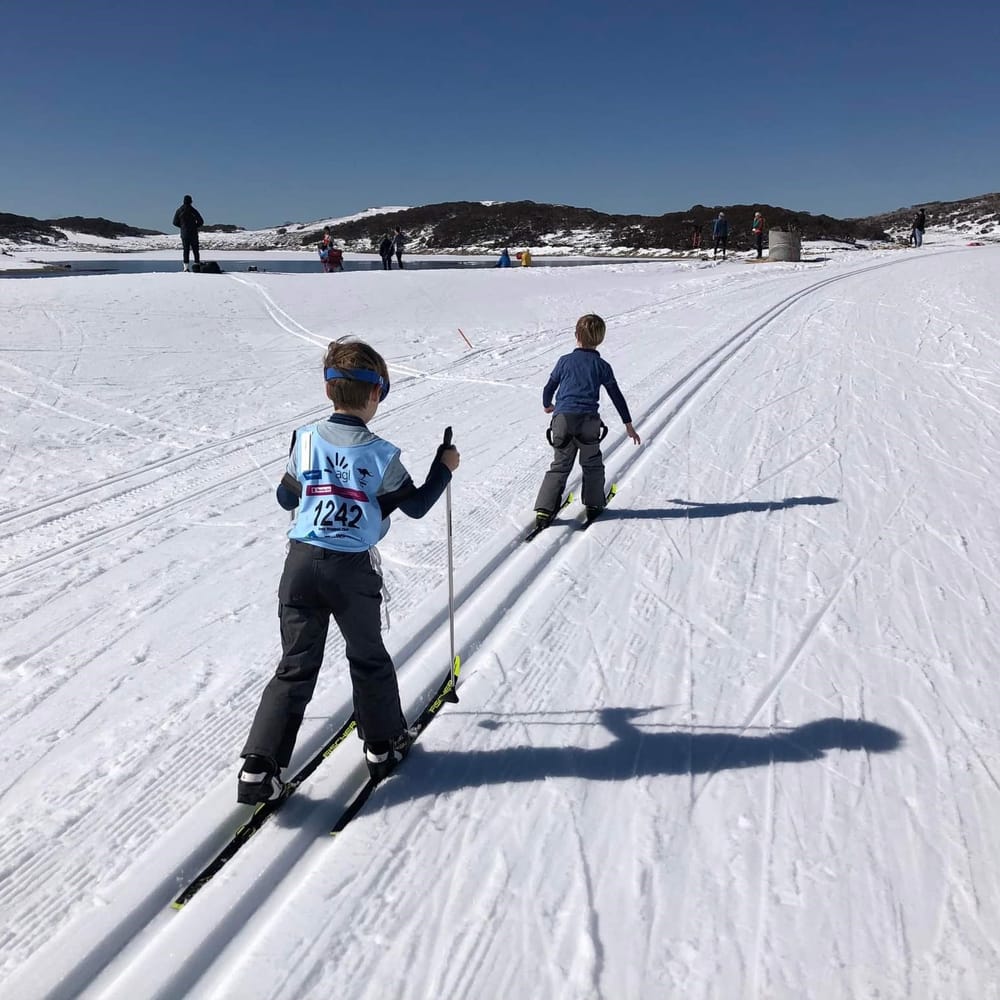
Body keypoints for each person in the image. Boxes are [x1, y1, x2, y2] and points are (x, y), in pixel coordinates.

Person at [237, 338, 461, 802]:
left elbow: (286, 497)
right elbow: (416, 506)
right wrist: (444, 467)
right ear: (376, 394)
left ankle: (260, 766)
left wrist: (320, 485)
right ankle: (381, 744)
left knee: (295, 666)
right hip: (351, 570)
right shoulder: (381, 454)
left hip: (299, 565)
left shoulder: (305, 438)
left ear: (328, 393)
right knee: (367, 656)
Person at [533, 314, 641, 527]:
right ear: (600, 338)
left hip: (562, 420)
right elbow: (616, 396)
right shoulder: (602, 366)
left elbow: (549, 388)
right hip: (588, 423)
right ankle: (593, 504)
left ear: (576, 335)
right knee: (592, 464)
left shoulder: (564, 361)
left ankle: (545, 510)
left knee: (560, 464)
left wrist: (547, 405)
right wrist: (628, 424)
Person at [172, 194, 204, 272]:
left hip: (184, 234)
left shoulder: (179, 210)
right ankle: (197, 265)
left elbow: (174, 222)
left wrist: (182, 227)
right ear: (191, 202)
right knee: (195, 250)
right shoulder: (193, 210)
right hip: (193, 233)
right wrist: (195, 226)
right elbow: (201, 221)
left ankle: (186, 268)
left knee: (186, 250)